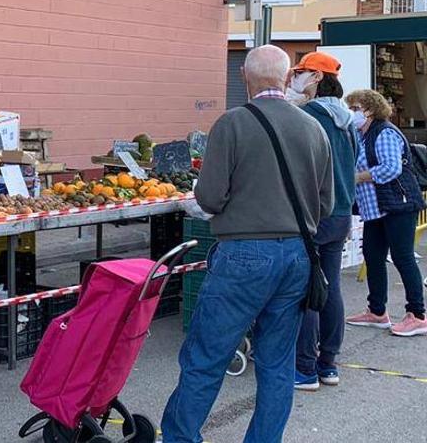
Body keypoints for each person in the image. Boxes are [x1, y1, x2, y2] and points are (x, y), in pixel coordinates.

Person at [162, 45, 332, 443]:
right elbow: (326, 204)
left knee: (206, 357)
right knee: (276, 362)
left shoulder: (232, 123)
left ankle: (181, 437)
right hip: (297, 256)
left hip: (244, 253)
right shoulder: (313, 128)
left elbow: (209, 198)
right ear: (288, 78)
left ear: (245, 78)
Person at [285, 53, 358, 391]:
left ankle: (304, 368)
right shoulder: (348, 120)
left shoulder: (310, 115)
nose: (294, 78)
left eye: (300, 72)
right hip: (341, 213)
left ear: (315, 78)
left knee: (307, 291)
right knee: (331, 289)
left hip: (316, 216)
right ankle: (328, 364)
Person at [343, 89, 427, 337]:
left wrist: (356, 178)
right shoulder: (364, 134)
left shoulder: (384, 132)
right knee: (373, 256)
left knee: (402, 257)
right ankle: (377, 311)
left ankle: (418, 315)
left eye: (355, 108)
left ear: (369, 110)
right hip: (375, 209)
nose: (353, 113)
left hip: (396, 206)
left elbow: (391, 167)